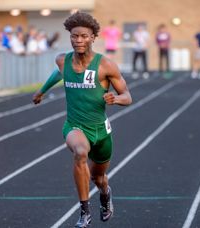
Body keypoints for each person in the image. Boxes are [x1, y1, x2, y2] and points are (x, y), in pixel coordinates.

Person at [32, 12, 132, 228]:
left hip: (101, 132)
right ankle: (84, 211)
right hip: (75, 126)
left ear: (93, 37)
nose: (78, 40)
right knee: (80, 153)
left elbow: (128, 96)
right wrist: (41, 91)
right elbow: (59, 73)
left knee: (99, 178)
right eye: (74, 36)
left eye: (84, 36)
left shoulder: (105, 65)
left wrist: (115, 99)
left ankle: (105, 193)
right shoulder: (63, 60)